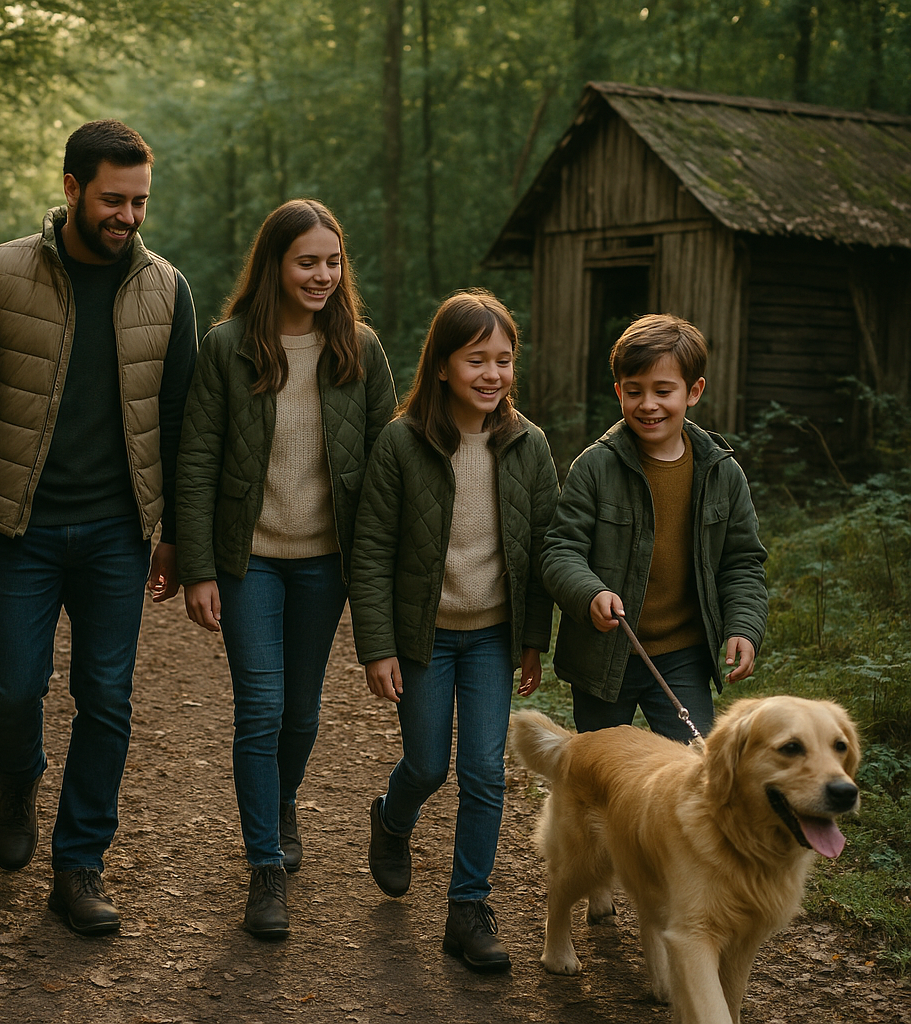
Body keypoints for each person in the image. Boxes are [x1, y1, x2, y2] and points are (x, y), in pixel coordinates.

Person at [0, 120, 198, 935]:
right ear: (72, 189)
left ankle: (79, 864)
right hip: (19, 528)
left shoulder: (166, 289)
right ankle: (18, 778)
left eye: (140, 201)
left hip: (119, 532)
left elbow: (181, 421)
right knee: (13, 691)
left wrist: (177, 533)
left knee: (106, 699)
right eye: (114, 199)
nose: (129, 217)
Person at [175, 198, 396, 940]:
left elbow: (392, 469)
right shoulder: (228, 346)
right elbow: (198, 458)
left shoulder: (360, 351)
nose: (323, 275)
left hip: (324, 567)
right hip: (249, 563)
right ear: (274, 265)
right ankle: (265, 867)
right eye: (307, 261)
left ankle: (280, 800)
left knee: (301, 713)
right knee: (261, 708)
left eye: (333, 262)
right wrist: (199, 565)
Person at [349, 289, 559, 972]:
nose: (491, 374)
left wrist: (533, 640)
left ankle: (468, 909)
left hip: (494, 637)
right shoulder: (401, 442)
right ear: (442, 366)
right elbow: (373, 549)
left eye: (503, 360)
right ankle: (392, 816)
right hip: (426, 638)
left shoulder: (529, 446)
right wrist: (377, 646)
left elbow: (544, 553)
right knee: (429, 763)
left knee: (484, 773)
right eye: (476, 360)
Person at [541, 313, 768, 742]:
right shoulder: (595, 466)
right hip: (604, 655)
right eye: (634, 391)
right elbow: (559, 550)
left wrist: (743, 626)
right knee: (603, 776)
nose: (648, 404)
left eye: (663, 391)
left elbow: (742, 563)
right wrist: (590, 592)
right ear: (619, 392)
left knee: (696, 770)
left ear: (693, 391)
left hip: (683, 655)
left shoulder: (722, 472)